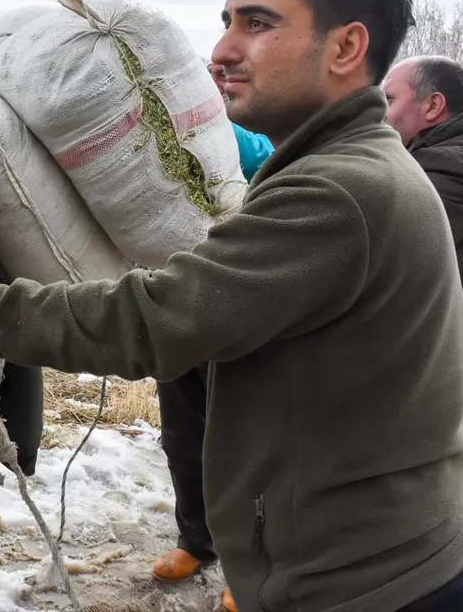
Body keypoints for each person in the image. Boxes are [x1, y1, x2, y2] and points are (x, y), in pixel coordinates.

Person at [0, 0, 463, 612]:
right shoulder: (343, 166)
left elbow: (155, 320)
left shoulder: (338, 192)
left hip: (368, 588)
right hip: (380, 564)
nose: (222, 49)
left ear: (346, 46)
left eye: (258, 24)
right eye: (227, 22)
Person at [149, 63, 276, 588]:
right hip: (178, 307)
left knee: (242, 443)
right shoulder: (155, 140)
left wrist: (215, 126)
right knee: (182, 434)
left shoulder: (251, 135)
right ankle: (195, 541)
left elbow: (263, 161)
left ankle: (252, 566)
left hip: (237, 311)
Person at [383, 55, 463, 508]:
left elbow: (379, 248)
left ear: (432, 106)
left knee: (449, 545)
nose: (381, 113)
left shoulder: (458, 171)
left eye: (389, 100)